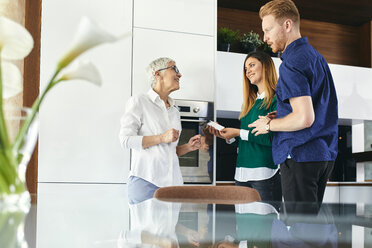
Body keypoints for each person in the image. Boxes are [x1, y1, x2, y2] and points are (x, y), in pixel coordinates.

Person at [249, 0, 338, 205]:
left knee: (299, 231)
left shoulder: (291, 63)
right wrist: (282, 114)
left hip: (300, 153)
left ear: (287, 25)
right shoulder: (315, 57)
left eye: (268, 29)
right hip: (322, 155)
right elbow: (315, 107)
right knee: (310, 230)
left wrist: (268, 125)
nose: (265, 38)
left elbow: (304, 118)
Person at [119, 57, 201, 204]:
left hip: (173, 184)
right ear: (158, 74)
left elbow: (169, 151)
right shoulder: (139, 101)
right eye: (174, 69)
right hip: (146, 181)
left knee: (170, 228)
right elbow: (125, 140)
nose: (180, 74)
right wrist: (162, 138)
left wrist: (188, 147)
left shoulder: (174, 111)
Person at [209, 51, 281, 202]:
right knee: (242, 224)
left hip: (263, 173)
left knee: (264, 224)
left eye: (252, 65)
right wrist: (229, 137)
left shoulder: (277, 101)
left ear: (266, 67)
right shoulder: (250, 104)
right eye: (246, 68)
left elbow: (272, 139)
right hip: (241, 173)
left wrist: (238, 132)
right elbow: (247, 138)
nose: (248, 71)